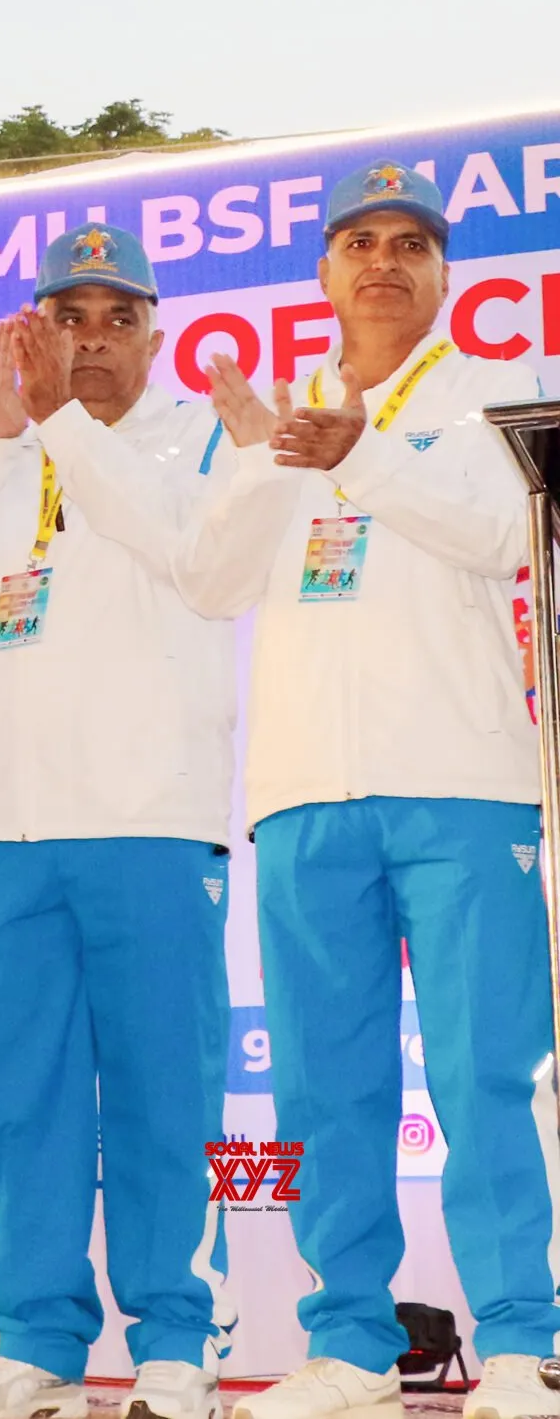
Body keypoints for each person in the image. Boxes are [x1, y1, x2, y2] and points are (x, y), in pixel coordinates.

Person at [176, 160, 558, 1419]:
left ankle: (520, 1341)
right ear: (324, 272)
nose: (383, 262)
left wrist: (362, 456)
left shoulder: (492, 397)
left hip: (459, 784)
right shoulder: (279, 415)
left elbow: (504, 535)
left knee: (484, 1074)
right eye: (358, 242)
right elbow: (210, 584)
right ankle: (345, 1346)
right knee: (321, 1089)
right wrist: (259, 461)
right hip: (301, 795)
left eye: (409, 243)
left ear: (444, 274)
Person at [0, 227, 233, 1419]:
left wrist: (62, 425)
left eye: (113, 317)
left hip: (148, 822)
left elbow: (195, 559)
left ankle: (175, 1347)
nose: (89, 340)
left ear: (154, 331)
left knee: (159, 1100)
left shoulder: (196, 436)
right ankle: (33, 1340)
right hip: (0, 835)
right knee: (22, 1105)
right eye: (65, 317)